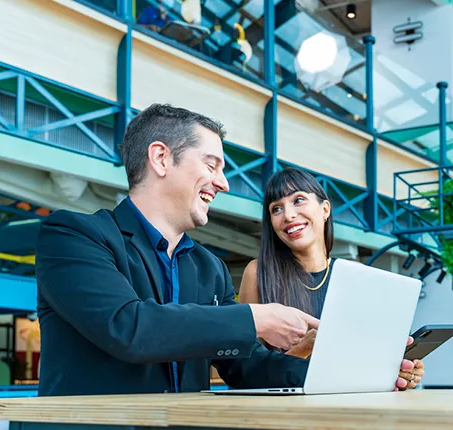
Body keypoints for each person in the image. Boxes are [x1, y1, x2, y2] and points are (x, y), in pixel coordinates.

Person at [35, 104, 320, 397]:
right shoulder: (73, 236)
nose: (223, 184)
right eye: (211, 166)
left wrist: (332, 374)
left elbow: (247, 367)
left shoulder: (210, 268)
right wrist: (254, 318)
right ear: (161, 158)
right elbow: (128, 328)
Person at [239, 168, 425, 390]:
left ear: (325, 209)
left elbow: (365, 359)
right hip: (283, 410)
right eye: (276, 209)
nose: (288, 215)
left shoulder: (356, 275)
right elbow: (246, 370)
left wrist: (400, 371)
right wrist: (303, 349)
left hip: (347, 405)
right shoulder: (258, 273)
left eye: (298, 200)